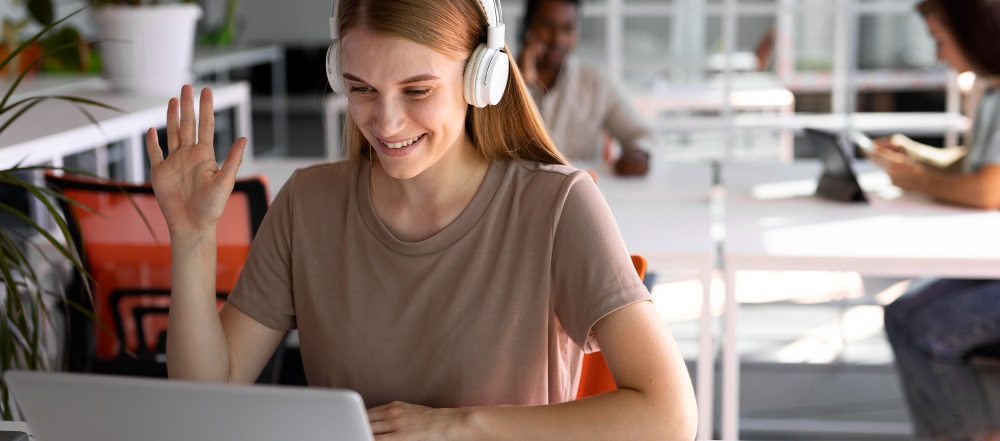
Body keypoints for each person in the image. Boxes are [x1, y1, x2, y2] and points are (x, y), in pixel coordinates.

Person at [144, 0, 697, 439]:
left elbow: (670, 417)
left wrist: (460, 427)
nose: (385, 122)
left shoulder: (557, 207)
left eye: (417, 90)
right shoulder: (306, 204)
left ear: (483, 77)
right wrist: (191, 237)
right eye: (362, 88)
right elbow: (208, 388)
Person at [877, 1, 1000, 440]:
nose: (939, 54)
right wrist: (916, 156)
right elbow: (975, 165)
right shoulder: (992, 90)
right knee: (901, 314)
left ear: (975, 34)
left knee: (931, 331)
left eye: (941, 40)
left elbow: (988, 190)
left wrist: (918, 178)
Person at [517, 0, 654, 176]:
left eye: (568, 29)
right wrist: (520, 82)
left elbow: (643, 134)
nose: (558, 39)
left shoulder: (595, 82)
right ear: (527, 27)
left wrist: (638, 154)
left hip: (580, 195)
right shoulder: (499, 83)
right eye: (547, 25)